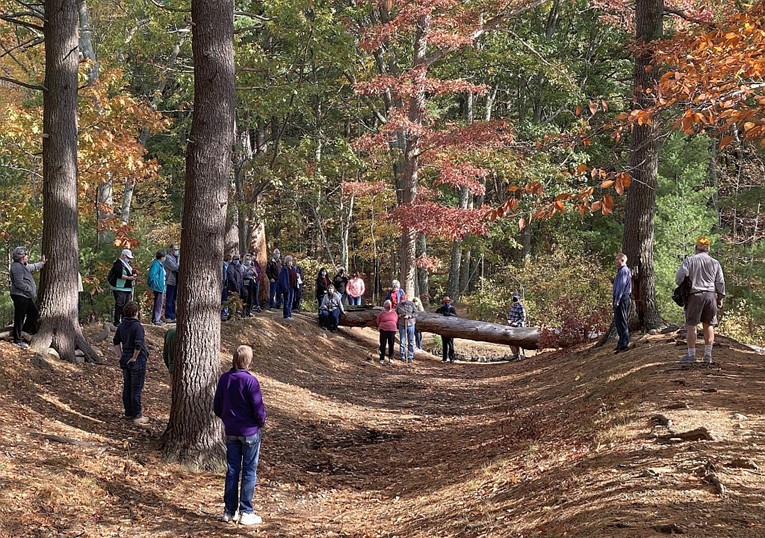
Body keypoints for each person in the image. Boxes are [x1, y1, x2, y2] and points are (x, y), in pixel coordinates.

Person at [213, 345, 266, 526]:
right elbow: (258, 408)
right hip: (249, 431)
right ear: (248, 361)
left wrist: (228, 419)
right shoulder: (251, 381)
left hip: (231, 431)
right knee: (249, 470)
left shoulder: (225, 379)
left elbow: (217, 406)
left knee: (233, 470)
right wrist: (261, 422)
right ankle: (246, 511)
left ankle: (228, 511)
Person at [676, 236, 726, 367]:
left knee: (692, 326)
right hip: (710, 296)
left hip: (695, 295)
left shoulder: (689, 260)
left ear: (696, 247)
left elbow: (679, 277)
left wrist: (683, 285)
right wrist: (719, 298)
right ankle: (707, 355)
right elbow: (720, 282)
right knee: (708, 325)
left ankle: (691, 355)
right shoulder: (715, 263)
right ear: (708, 248)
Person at [112, 302, 149, 425]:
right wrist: (134, 357)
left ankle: (128, 412)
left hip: (125, 358)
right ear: (136, 313)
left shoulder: (122, 326)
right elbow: (138, 344)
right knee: (136, 388)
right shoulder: (137, 327)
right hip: (136, 360)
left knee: (127, 386)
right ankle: (137, 415)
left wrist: (121, 355)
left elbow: (116, 341)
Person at [9, 246, 46, 349]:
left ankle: (24, 332)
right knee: (19, 317)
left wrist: (41, 263)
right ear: (21, 257)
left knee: (33, 313)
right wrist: (29, 289)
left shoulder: (23, 266)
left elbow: (32, 267)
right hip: (20, 296)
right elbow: (19, 283)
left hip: (25, 296)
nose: (27, 256)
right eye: (26, 255)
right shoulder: (16, 267)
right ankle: (17, 339)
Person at [108, 248, 138, 326]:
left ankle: (125, 320)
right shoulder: (118, 263)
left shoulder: (127, 265)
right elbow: (119, 274)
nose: (128, 259)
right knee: (119, 304)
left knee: (126, 305)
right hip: (119, 287)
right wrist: (128, 278)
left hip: (127, 288)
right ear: (123, 255)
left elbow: (131, 271)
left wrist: (134, 274)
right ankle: (117, 321)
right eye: (127, 257)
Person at [612, 253, 633, 354]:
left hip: (622, 298)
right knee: (618, 321)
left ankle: (624, 344)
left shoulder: (624, 271)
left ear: (622, 260)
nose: (615, 261)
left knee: (622, 321)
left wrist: (617, 300)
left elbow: (621, 286)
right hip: (619, 297)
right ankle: (620, 343)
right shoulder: (620, 272)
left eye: (617, 259)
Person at [435, 296, 458, 362]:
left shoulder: (452, 309)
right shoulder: (441, 309)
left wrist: (449, 314)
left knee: (451, 344)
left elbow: (456, 317)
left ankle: (452, 358)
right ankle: (444, 358)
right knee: (444, 344)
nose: (446, 303)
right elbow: (436, 314)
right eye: (445, 302)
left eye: (447, 302)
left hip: (450, 329)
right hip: (443, 329)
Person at [147, 250, 167, 325]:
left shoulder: (160, 264)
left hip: (161, 286)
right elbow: (152, 275)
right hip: (158, 286)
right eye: (164, 257)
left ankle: (155, 318)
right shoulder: (156, 264)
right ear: (162, 257)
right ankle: (156, 319)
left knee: (158, 302)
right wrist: (154, 284)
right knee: (159, 302)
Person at [506, 291, 527, 361]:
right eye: (513, 296)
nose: (514, 298)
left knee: (517, 341)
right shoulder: (513, 306)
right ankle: (515, 355)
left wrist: (516, 323)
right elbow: (510, 317)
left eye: (516, 296)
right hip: (511, 326)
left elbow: (523, 318)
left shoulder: (520, 306)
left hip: (519, 327)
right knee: (510, 341)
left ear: (518, 297)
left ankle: (519, 356)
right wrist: (509, 321)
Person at [396, 297, 418, 363]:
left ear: (407, 299)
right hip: (402, 324)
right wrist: (400, 315)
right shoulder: (399, 305)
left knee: (411, 341)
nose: (403, 302)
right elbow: (395, 313)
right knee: (402, 341)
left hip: (411, 324)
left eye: (404, 300)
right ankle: (402, 355)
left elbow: (416, 313)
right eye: (402, 300)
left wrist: (409, 316)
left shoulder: (411, 304)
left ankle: (410, 356)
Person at [376, 300, 398, 365]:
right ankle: (381, 358)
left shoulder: (394, 313)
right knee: (382, 345)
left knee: (391, 344)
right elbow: (378, 320)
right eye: (386, 305)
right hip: (383, 330)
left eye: (389, 305)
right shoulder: (382, 313)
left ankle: (391, 358)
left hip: (392, 330)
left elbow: (396, 320)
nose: (388, 306)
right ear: (384, 306)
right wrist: (381, 326)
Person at [277, 255, 298, 319]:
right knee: (287, 301)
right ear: (286, 262)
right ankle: (286, 315)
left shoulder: (293, 268)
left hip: (293, 287)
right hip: (287, 288)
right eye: (289, 261)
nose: (290, 262)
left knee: (291, 301)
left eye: (291, 261)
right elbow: (282, 279)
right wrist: (285, 288)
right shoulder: (284, 269)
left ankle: (289, 314)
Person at [164, 244, 180, 322]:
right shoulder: (168, 258)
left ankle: (173, 316)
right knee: (169, 299)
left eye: (177, 249)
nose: (176, 251)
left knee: (174, 299)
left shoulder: (177, 258)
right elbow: (174, 267)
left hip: (176, 281)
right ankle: (168, 316)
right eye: (174, 249)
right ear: (170, 249)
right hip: (170, 281)